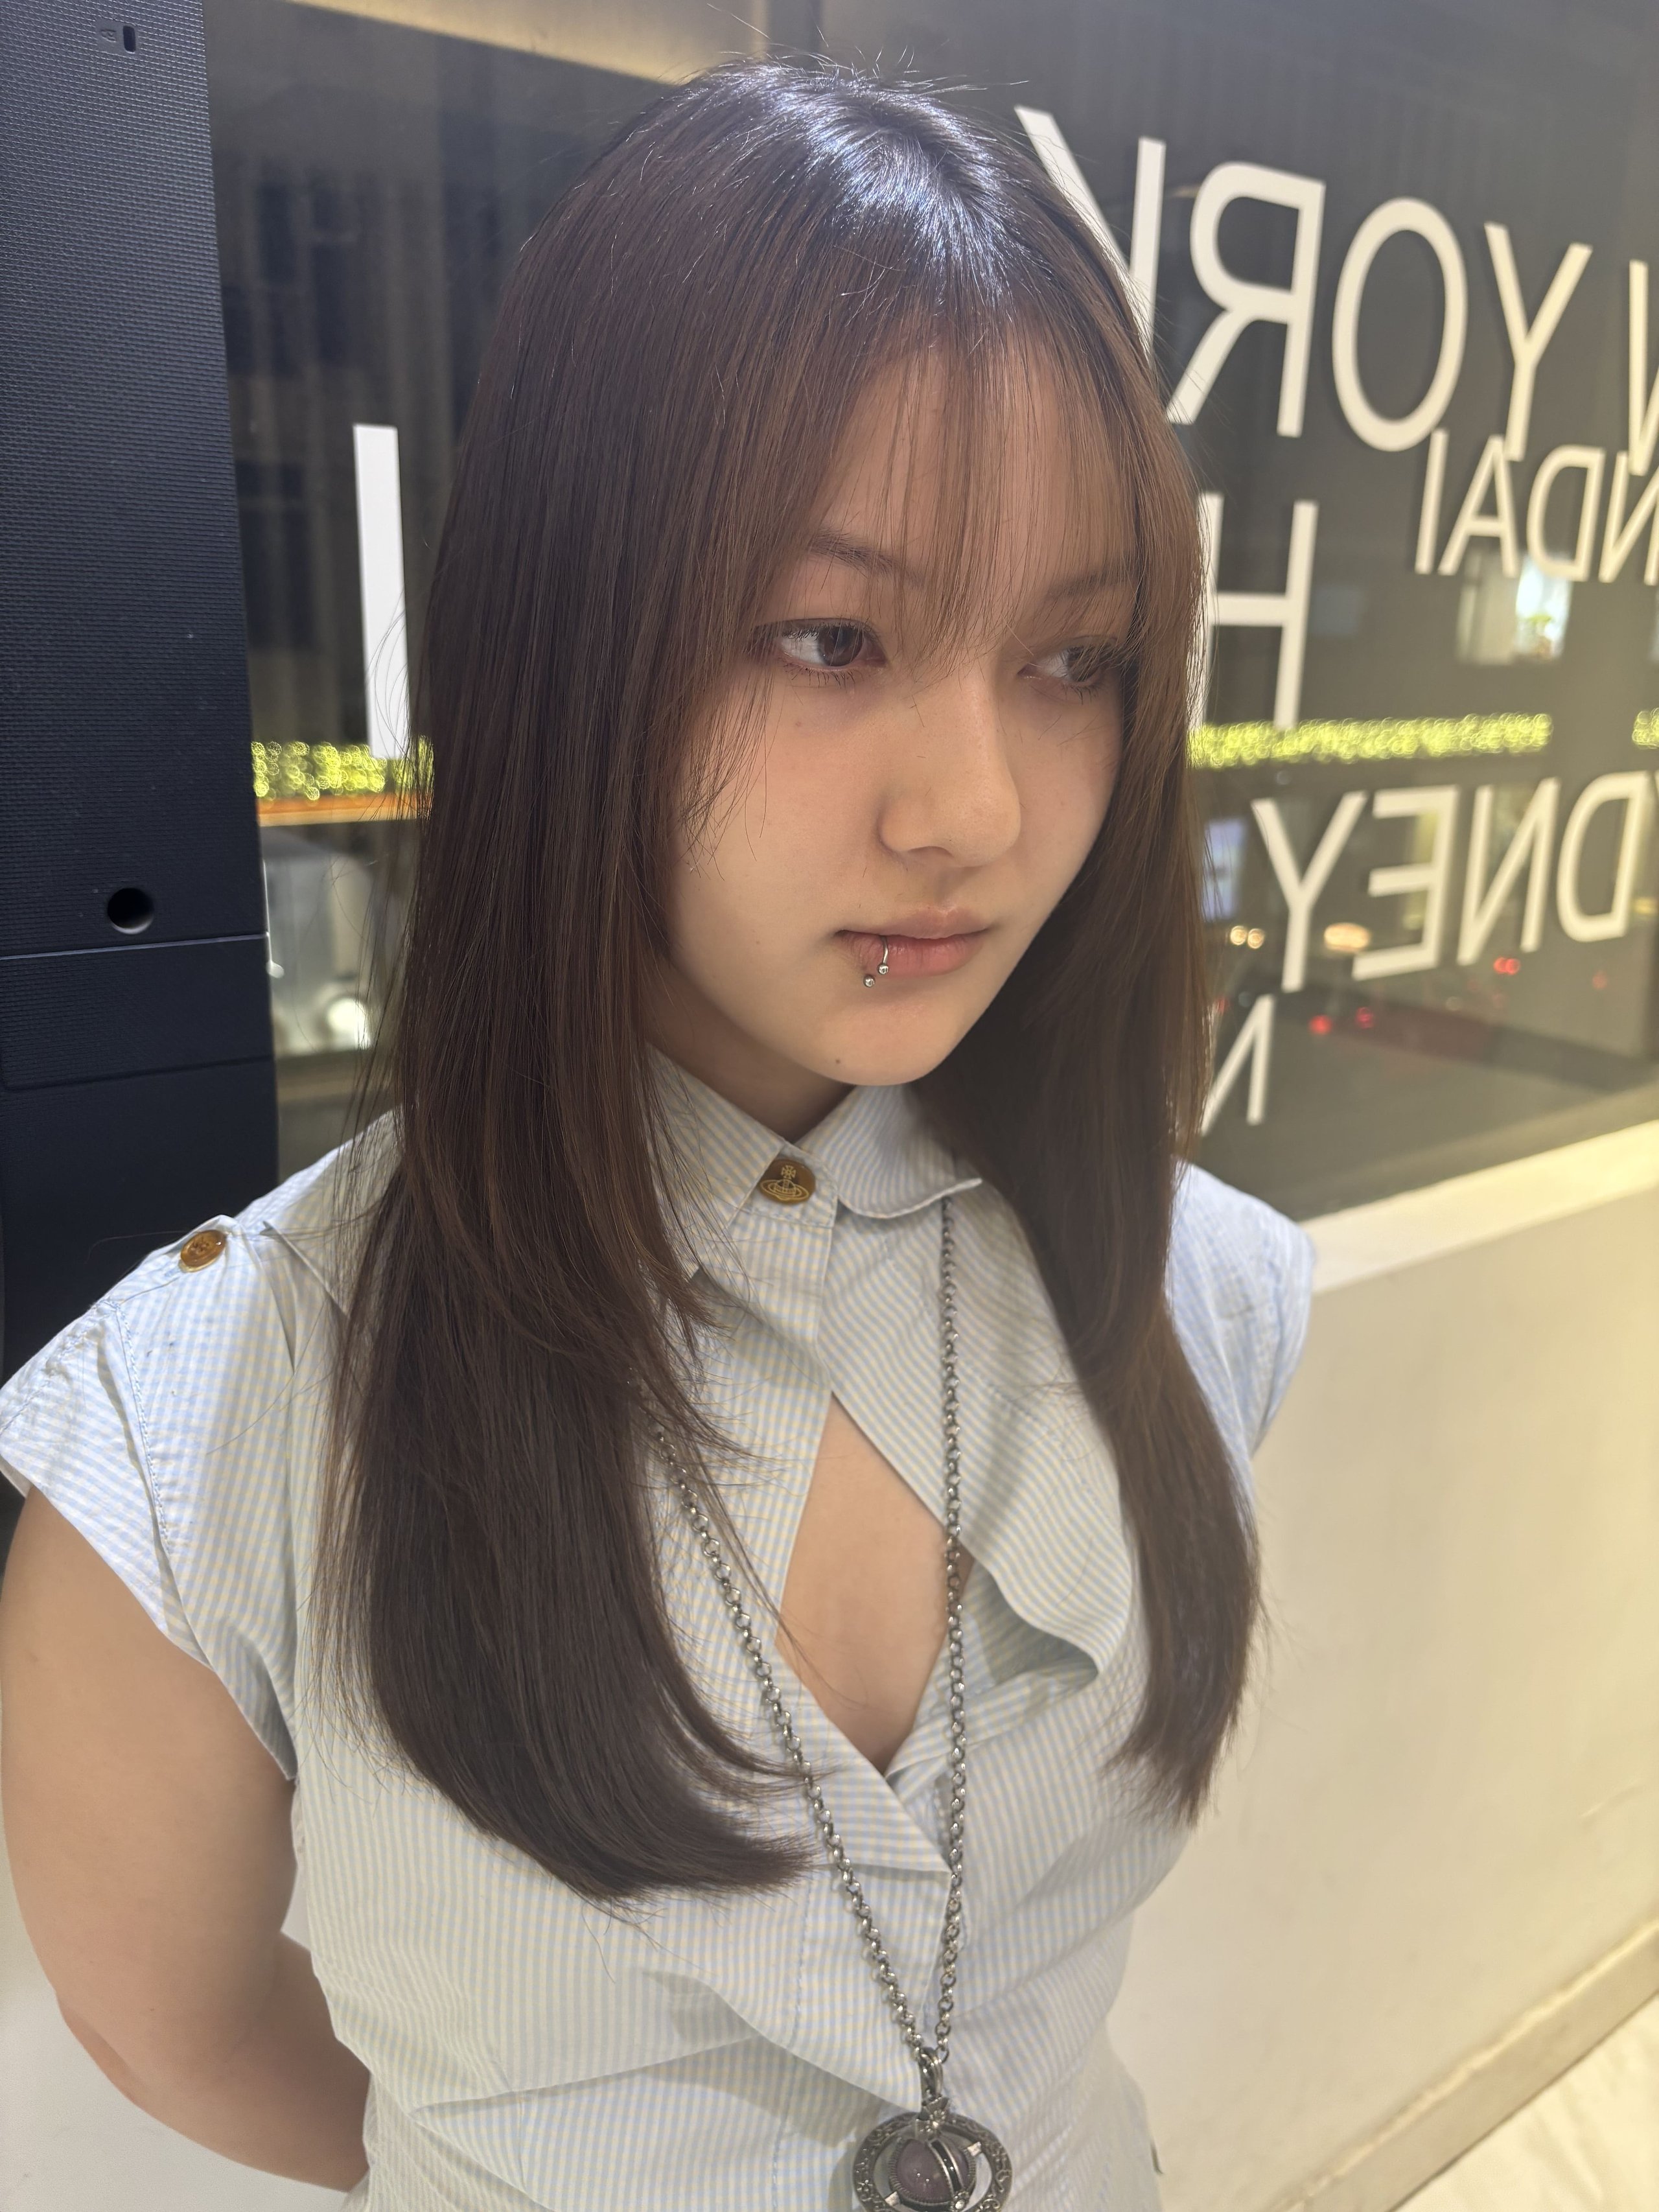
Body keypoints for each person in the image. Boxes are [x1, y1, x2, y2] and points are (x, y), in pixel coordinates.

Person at [0, 60, 1312, 2212]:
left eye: (1074, 657)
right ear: (567, 631)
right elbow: (181, 2028)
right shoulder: (206, 1430)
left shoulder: (1200, 1289)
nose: (973, 810)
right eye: (832, 634)